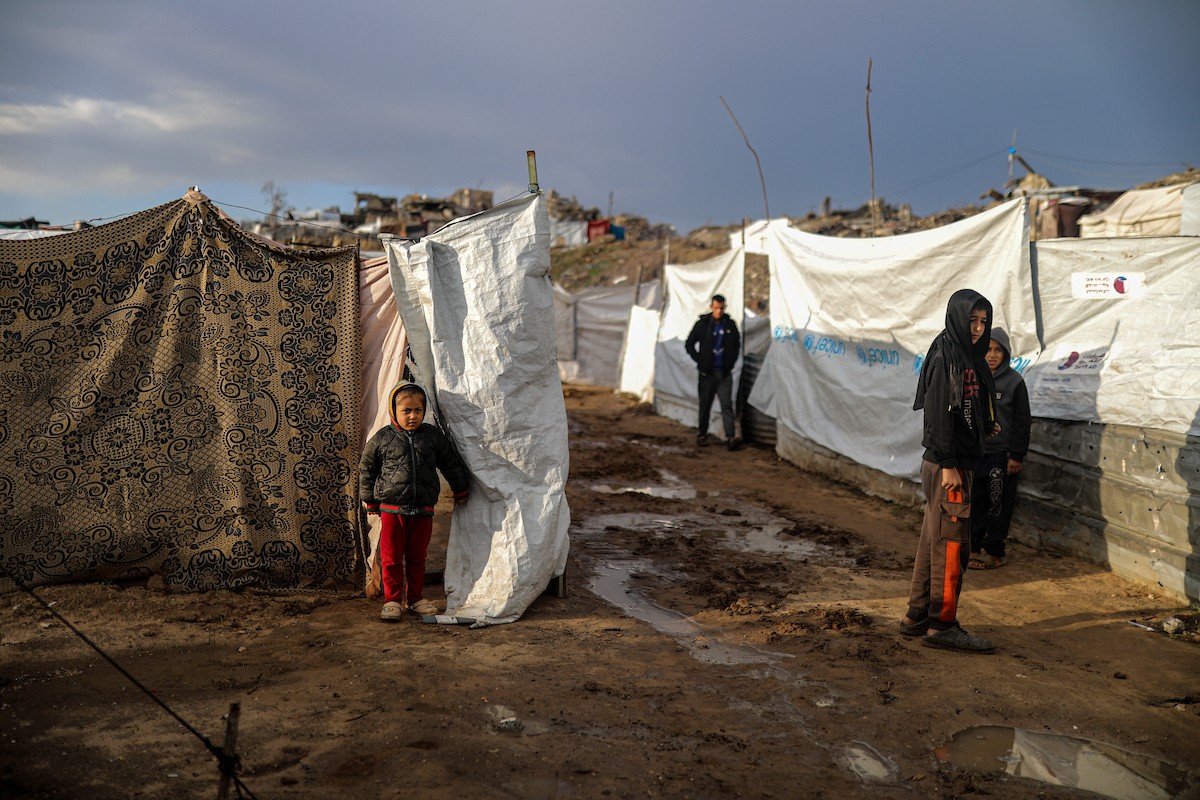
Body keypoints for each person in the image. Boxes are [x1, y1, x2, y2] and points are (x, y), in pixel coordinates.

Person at [901, 289, 998, 654]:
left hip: (951, 462)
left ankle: (917, 616)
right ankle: (943, 625)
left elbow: (964, 408)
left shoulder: (964, 354)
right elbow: (939, 415)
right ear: (957, 317)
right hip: (949, 467)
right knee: (953, 546)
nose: (977, 328)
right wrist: (950, 465)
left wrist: (983, 427)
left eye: (983, 321)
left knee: (934, 540)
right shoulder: (947, 356)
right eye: (972, 320)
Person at [359, 380, 470, 621]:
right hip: (391, 509)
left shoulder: (431, 437)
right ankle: (392, 600)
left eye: (417, 410)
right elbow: (367, 468)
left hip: (423, 509)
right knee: (390, 558)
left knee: (418, 557)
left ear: (424, 411)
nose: (412, 416)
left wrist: (461, 488)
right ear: (394, 411)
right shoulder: (383, 438)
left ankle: (415, 598)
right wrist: (370, 501)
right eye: (406, 411)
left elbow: (450, 463)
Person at [969, 327, 1031, 570]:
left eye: (998, 350)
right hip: (974, 455)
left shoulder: (1015, 382)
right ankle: (972, 549)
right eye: (987, 349)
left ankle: (995, 551)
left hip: (1001, 457)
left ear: (1006, 353)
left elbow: (1022, 421)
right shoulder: (972, 378)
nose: (992, 355)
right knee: (974, 502)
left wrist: (1016, 455)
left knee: (998, 505)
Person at [685, 294, 741, 450]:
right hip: (707, 373)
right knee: (705, 405)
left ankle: (730, 437)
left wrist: (730, 363)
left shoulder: (729, 325)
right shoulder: (703, 324)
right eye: (716, 308)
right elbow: (689, 344)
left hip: (723, 372)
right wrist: (700, 361)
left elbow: (736, 345)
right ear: (711, 307)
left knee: (726, 405)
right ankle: (702, 434)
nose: (719, 311)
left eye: (721, 308)